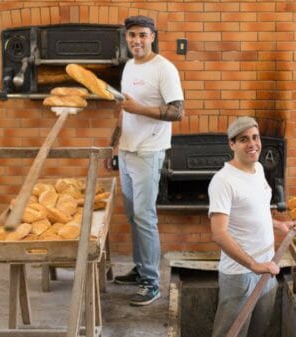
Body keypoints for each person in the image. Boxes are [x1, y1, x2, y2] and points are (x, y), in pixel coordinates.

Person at [108, 15, 184, 306]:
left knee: (144, 217)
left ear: (153, 36)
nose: (136, 40)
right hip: (127, 152)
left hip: (148, 153)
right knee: (133, 216)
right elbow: (124, 110)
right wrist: (113, 145)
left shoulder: (164, 68)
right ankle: (141, 270)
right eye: (131, 35)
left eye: (142, 35)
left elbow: (178, 112)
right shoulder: (129, 66)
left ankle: (152, 282)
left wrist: (138, 108)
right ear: (126, 38)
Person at [208, 117, 296, 337]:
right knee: (231, 333)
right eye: (244, 139)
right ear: (232, 144)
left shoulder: (258, 169)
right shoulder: (223, 181)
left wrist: (280, 225)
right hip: (241, 275)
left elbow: (256, 211)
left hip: (268, 266)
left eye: (255, 137)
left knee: (258, 332)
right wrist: (253, 265)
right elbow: (219, 234)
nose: (252, 144)